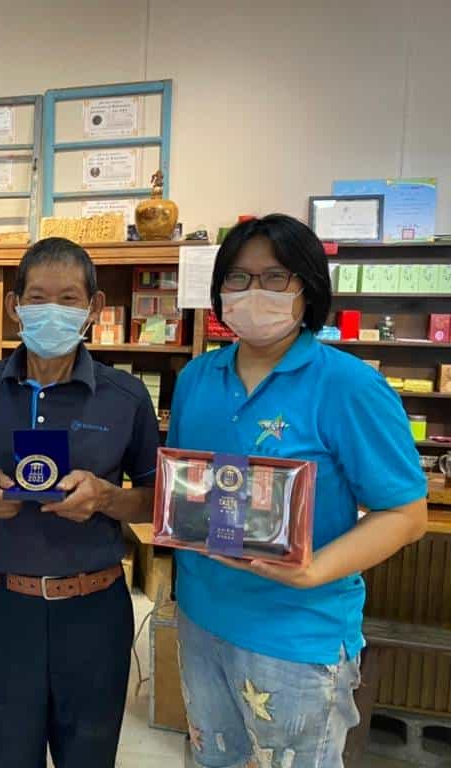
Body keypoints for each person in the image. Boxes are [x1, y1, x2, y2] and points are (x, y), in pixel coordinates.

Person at [166, 214, 428, 768]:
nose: (253, 291)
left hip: (295, 633)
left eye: (274, 277)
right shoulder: (196, 378)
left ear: (308, 289)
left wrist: (312, 570)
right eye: (237, 278)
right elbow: (191, 488)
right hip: (200, 619)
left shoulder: (349, 384)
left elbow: (406, 515)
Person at [0, 237, 160, 768]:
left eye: (68, 299)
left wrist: (107, 498)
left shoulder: (126, 397)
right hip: (4, 607)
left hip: (94, 610)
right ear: (14, 306)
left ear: (94, 307)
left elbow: (155, 502)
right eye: (37, 298)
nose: (51, 311)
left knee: (88, 755)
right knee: (6, 754)